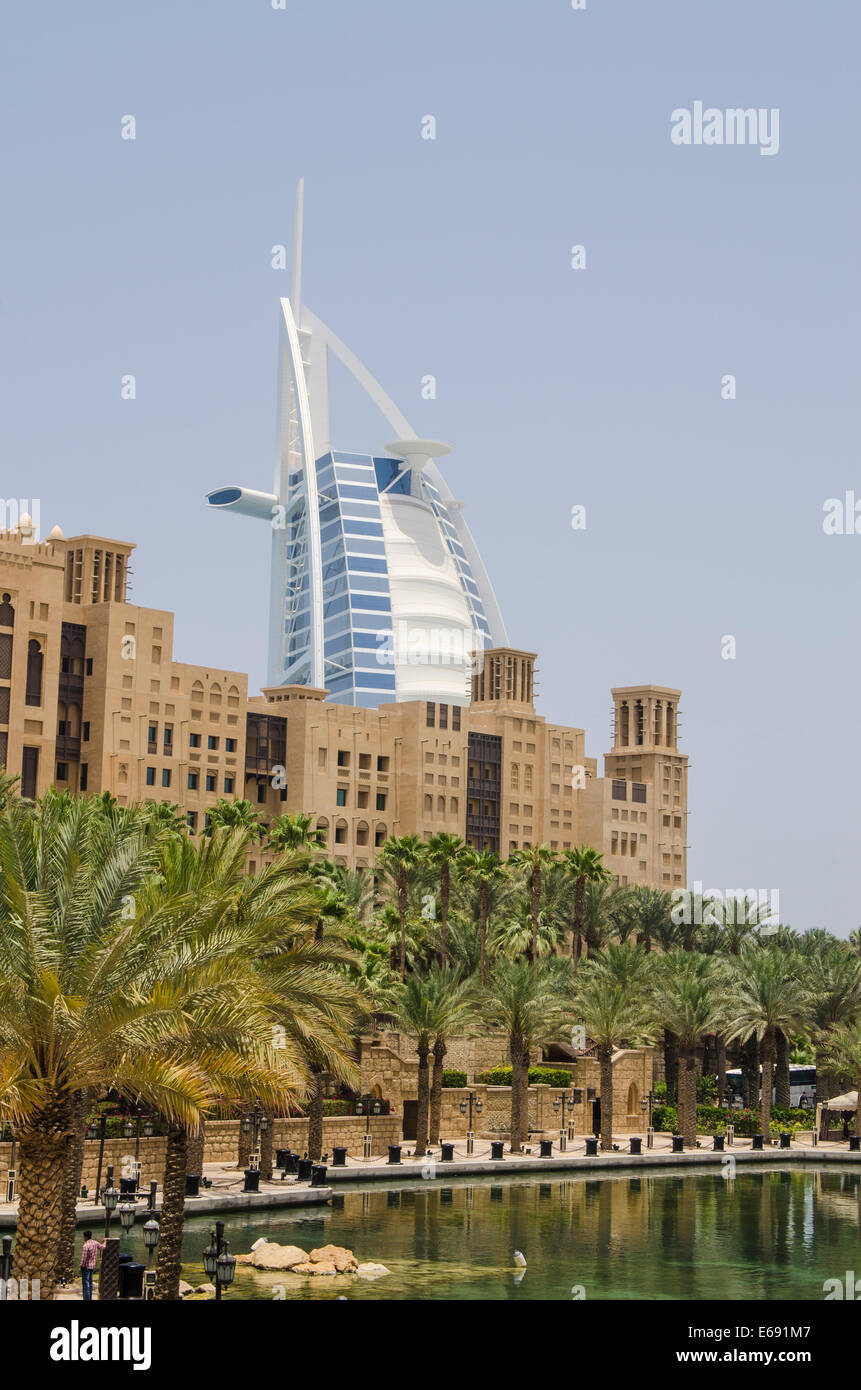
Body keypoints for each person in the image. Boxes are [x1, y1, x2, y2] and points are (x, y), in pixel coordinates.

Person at [79, 1230, 104, 1301]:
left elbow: (83, 1259)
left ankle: (86, 1299)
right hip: (92, 1266)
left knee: (86, 1284)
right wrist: (105, 1241)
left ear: (85, 1237)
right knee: (90, 1283)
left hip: (86, 1267)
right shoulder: (95, 1243)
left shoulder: (86, 1245)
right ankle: (89, 1298)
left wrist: (81, 1267)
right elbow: (102, 1247)